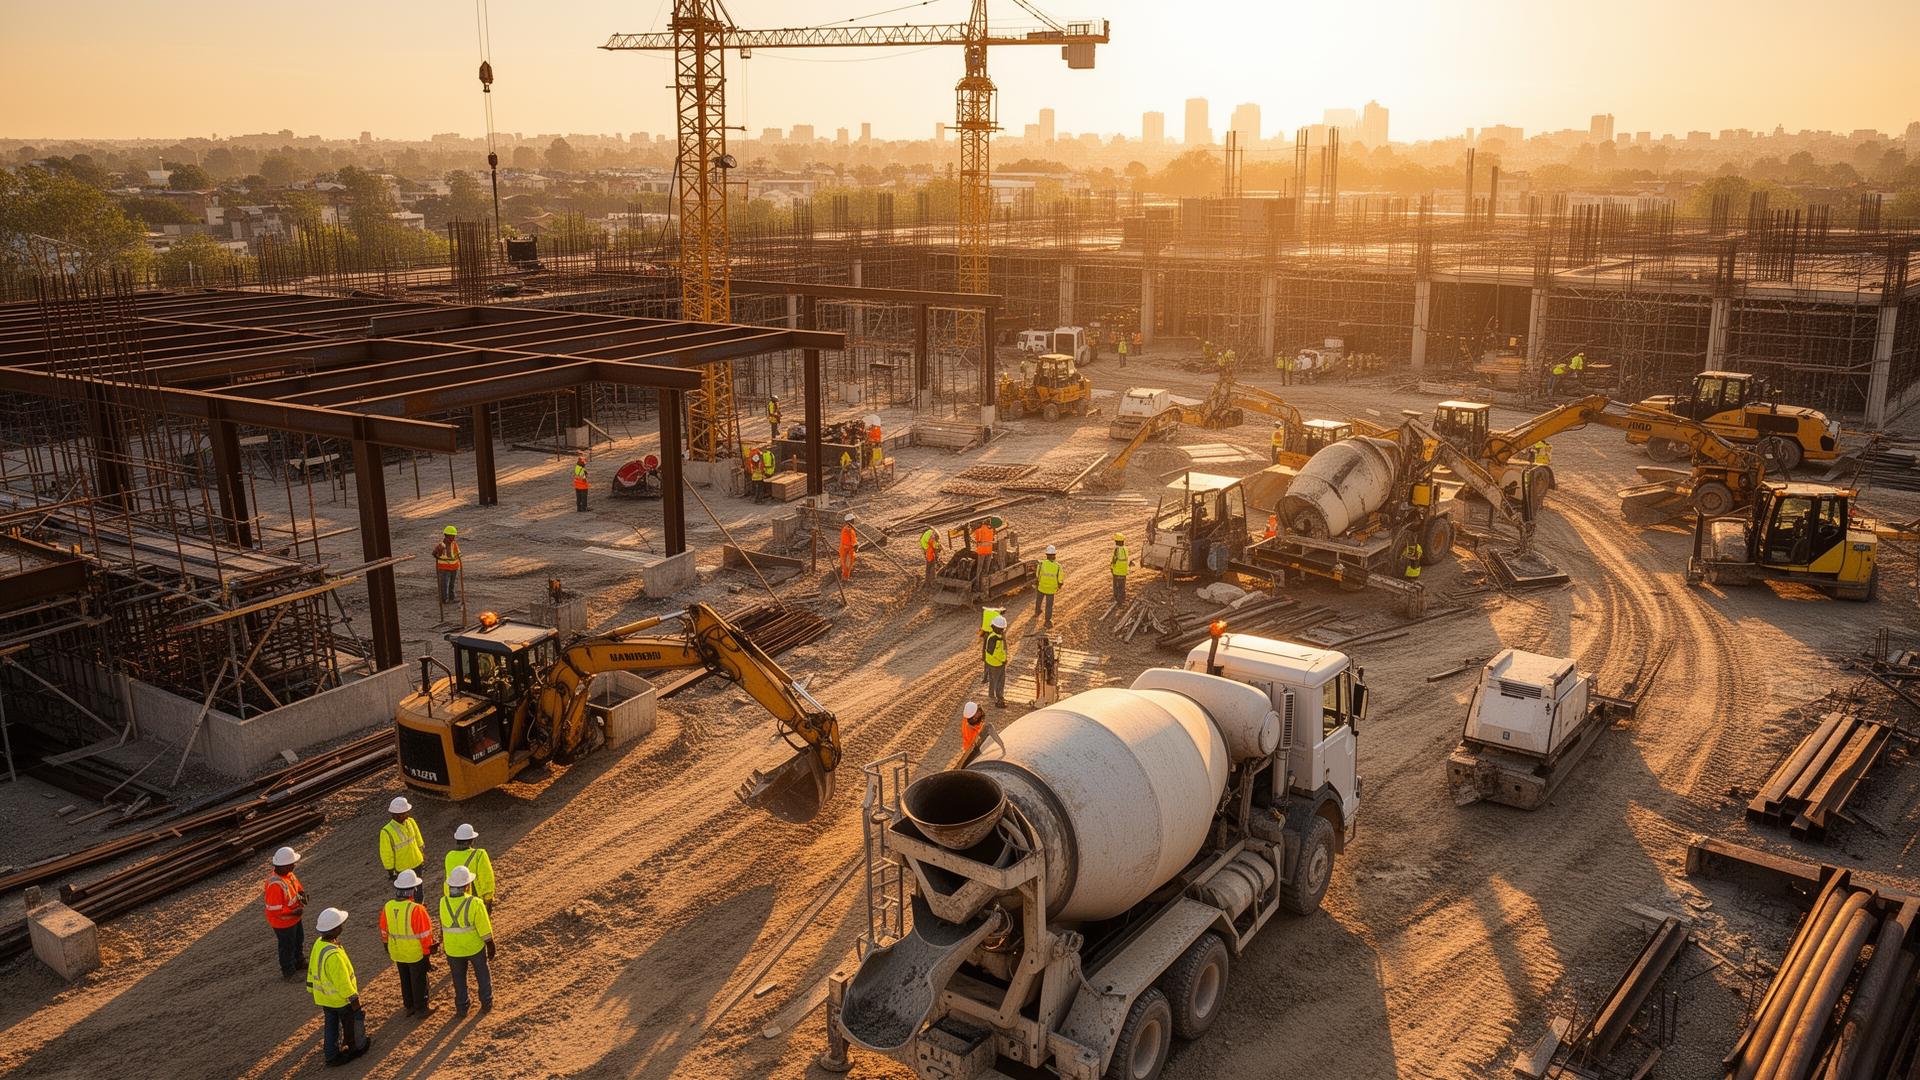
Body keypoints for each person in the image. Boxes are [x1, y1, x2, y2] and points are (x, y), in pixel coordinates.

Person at [308, 908, 369, 1066]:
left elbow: (312, 969)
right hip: (340, 1000)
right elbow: (342, 982)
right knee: (348, 1023)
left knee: (331, 1026)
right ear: (334, 929)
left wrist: (311, 988)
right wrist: (353, 999)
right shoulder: (334, 955)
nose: (343, 926)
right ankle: (354, 1047)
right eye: (340, 924)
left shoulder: (319, 944)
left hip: (324, 998)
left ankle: (331, 1055)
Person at [439, 865, 496, 1016]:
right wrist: (490, 944)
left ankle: (462, 1007)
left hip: (453, 949)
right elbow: (484, 927)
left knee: (458, 979)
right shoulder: (475, 903)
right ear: (466, 886)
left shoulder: (442, 902)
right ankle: (486, 1002)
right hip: (474, 947)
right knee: (482, 973)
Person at [380, 870, 436, 1017]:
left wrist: (387, 946)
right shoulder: (417, 909)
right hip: (415, 952)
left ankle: (409, 1005)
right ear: (413, 890)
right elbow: (425, 935)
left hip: (397, 951)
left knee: (405, 978)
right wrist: (427, 955)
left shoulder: (388, 906)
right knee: (418, 980)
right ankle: (421, 1008)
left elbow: (384, 930)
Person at [264, 845, 306, 981]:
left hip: (294, 918)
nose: (294, 866)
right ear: (283, 865)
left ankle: (298, 961)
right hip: (283, 922)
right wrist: (294, 912)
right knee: (287, 946)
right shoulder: (275, 884)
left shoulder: (289, 875)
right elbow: (275, 910)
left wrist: (302, 894)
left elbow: (297, 887)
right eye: (292, 864)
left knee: (298, 940)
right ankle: (288, 972)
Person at [379, 796, 425, 899]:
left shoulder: (410, 821)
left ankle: (419, 907)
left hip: (417, 862)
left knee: (419, 892)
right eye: (405, 812)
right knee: (406, 895)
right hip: (402, 868)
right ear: (396, 815)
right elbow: (386, 853)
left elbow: (418, 837)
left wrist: (421, 853)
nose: (408, 814)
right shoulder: (386, 831)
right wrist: (390, 871)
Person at [443, 824, 496, 905]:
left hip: (454, 900)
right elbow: (486, 876)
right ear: (470, 840)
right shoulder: (479, 854)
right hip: (475, 899)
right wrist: (488, 897)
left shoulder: (449, 856)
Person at [982, 615, 1009, 707]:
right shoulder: (997, 639)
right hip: (997, 663)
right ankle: (1000, 700)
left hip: (991, 662)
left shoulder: (992, 636)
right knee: (1000, 681)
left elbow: (989, 652)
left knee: (993, 679)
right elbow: (996, 653)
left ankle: (991, 694)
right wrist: (1003, 660)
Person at [1034, 545, 1062, 627]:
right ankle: (1047, 621)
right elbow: (1060, 579)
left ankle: (1037, 611)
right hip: (1051, 590)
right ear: (1054, 555)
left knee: (1039, 600)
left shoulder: (1041, 564)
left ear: (1046, 555)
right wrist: (1059, 586)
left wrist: (1038, 583)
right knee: (1049, 606)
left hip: (1041, 587)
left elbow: (1037, 575)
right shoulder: (1058, 566)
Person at [434, 526, 461, 605]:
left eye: (454, 536)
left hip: (454, 568)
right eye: (452, 536)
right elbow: (434, 554)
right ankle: (444, 599)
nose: (453, 538)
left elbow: (458, 553)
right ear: (446, 535)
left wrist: (458, 557)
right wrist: (439, 556)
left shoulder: (454, 544)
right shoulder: (441, 545)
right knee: (444, 584)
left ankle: (452, 598)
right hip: (444, 569)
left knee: (451, 584)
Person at [1110, 533, 1130, 606]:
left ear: (1116, 541)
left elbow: (1114, 560)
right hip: (1124, 572)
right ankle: (1121, 600)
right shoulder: (1126, 549)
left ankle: (1116, 599)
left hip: (1116, 571)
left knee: (1116, 586)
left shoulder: (1117, 550)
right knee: (1122, 587)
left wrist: (1111, 568)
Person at [839, 514, 858, 581]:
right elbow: (847, 542)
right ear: (849, 521)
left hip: (849, 549)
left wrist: (855, 545)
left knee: (848, 564)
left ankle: (846, 577)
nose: (854, 521)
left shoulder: (850, 529)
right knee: (846, 565)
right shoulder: (847, 530)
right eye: (853, 520)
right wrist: (854, 545)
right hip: (846, 550)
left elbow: (853, 539)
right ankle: (845, 578)